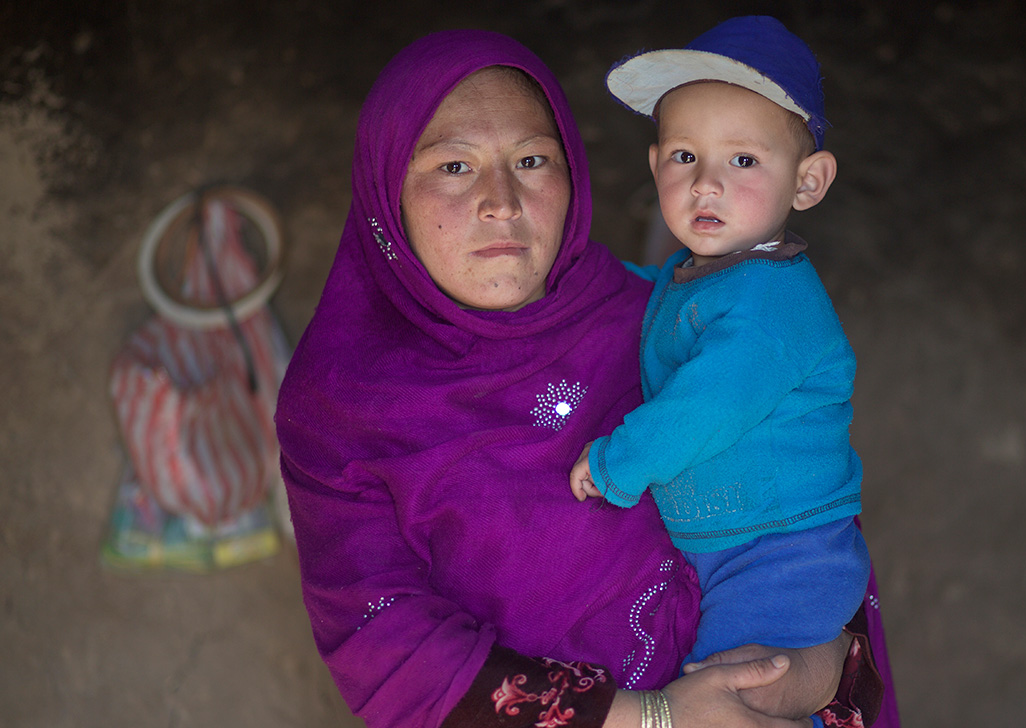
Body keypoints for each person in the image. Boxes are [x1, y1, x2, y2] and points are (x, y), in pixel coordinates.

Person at [276, 27, 896, 728]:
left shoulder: (659, 318)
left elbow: (801, 514)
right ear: (385, 189)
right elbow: (383, 644)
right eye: (453, 167)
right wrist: (655, 718)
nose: (501, 202)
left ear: (572, 173)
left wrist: (811, 671)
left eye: (532, 160)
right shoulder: (340, 408)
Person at [568, 17, 875, 722]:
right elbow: (661, 305)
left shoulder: (772, 308)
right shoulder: (704, 270)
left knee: (732, 695)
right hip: (731, 541)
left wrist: (617, 465)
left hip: (778, 556)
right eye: (684, 156)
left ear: (807, 182)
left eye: (742, 161)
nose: (706, 183)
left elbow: (705, 403)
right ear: (655, 167)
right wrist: (593, 285)